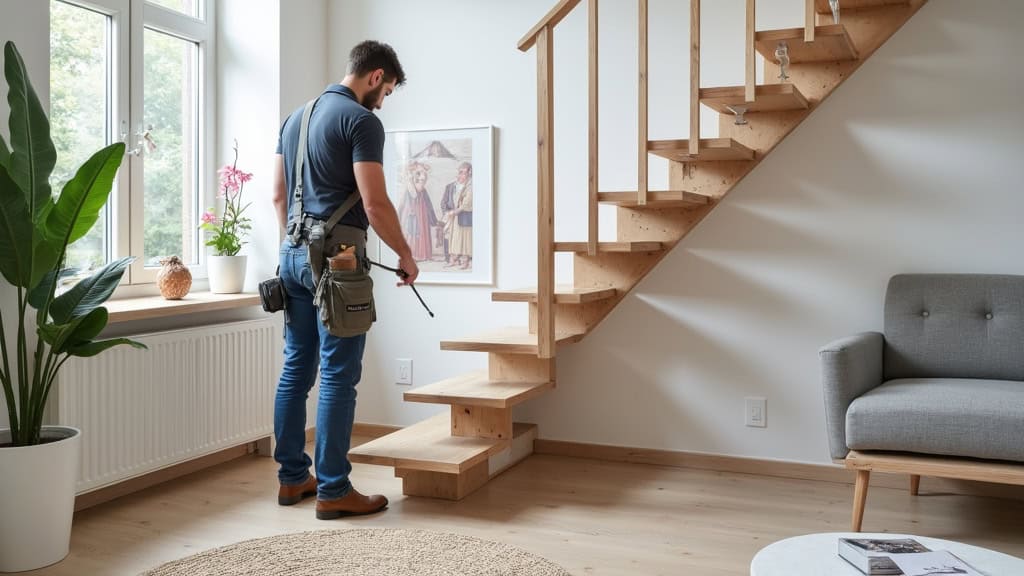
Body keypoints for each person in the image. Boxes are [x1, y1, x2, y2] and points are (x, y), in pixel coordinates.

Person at [271, 40, 418, 520]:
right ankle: (333, 489)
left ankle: (293, 479)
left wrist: (294, 246)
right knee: (338, 373)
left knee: (297, 368)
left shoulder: (296, 117)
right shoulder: (361, 121)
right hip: (338, 260)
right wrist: (406, 253)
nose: (384, 100)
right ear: (375, 76)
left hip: (290, 254)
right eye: (389, 90)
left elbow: (277, 195)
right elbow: (374, 204)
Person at [396, 161, 438, 262]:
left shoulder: (420, 177)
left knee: (419, 228)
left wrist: (417, 175)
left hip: (419, 207)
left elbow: (418, 189)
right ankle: (411, 254)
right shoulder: (410, 180)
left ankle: (420, 254)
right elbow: (411, 194)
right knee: (411, 229)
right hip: (411, 208)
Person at [447, 162, 473, 270]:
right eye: (459, 172)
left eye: (463, 173)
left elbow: (466, 204)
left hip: (465, 216)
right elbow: (453, 200)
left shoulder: (470, 187)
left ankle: (465, 262)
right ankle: (453, 260)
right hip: (456, 217)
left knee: (465, 239)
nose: (460, 175)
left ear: (469, 173)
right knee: (454, 238)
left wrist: (455, 212)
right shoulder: (457, 185)